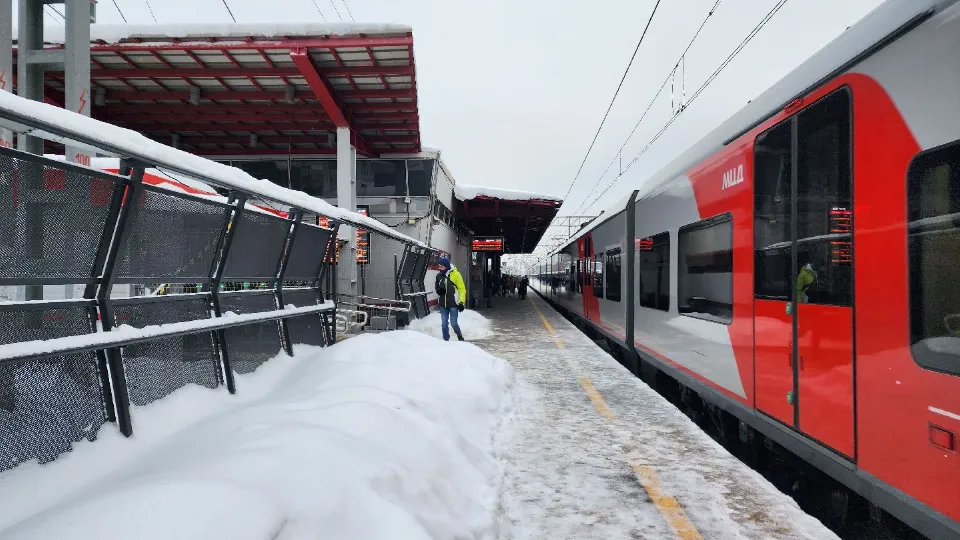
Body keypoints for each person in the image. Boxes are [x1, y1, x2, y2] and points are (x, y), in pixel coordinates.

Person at [434, 257, 466, 341]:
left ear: (447, 266)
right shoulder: (438, 276)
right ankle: (446, 341)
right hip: (442, 304)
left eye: (442, 267)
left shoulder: (456, 275)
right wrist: (439, 291)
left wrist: (461, 302)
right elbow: (437, 287)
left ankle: (459, 336)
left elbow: (462, 289)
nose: (439, 268)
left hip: (453, 304)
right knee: (444, 324)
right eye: (439, 266)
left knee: (454, 324)